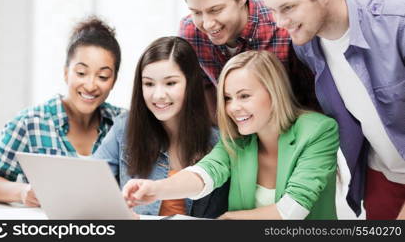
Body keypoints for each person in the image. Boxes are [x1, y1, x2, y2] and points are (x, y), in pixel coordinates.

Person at [250, 0, 405, 219]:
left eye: (288, 7)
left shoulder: (397, 23)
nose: (279, 22)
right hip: (382, 176)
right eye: (272, 10)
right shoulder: (305, 45)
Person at [123, 50, 339, 220]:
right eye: (227, 98)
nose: (233, 108)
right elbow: (204, 174)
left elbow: (293, 210)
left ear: (274, 93)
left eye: (244, 96)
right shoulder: (238, 140)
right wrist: (156, 189)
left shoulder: (318, 131)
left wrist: (228, 221)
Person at [0, 17, 124, 207]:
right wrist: (22, 192)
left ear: (114, 80)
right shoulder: (30, 123)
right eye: (81, 73)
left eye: (102, 76)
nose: (91, 85)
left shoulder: (123, 124)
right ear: (66, 73)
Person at [93, 36, 228, 218]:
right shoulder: (124, 128)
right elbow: (90, 185)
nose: (158, 95)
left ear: (190, 84)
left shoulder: (217, 142)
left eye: (170, 83)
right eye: (149, 83)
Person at [178, 0, 318, 122]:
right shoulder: (191, 33)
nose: (207, 24)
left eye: (216, 10)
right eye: (197, 12)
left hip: (295, 130)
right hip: (237, 134)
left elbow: (314, 98)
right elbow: (204, 86)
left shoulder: (284, 27)